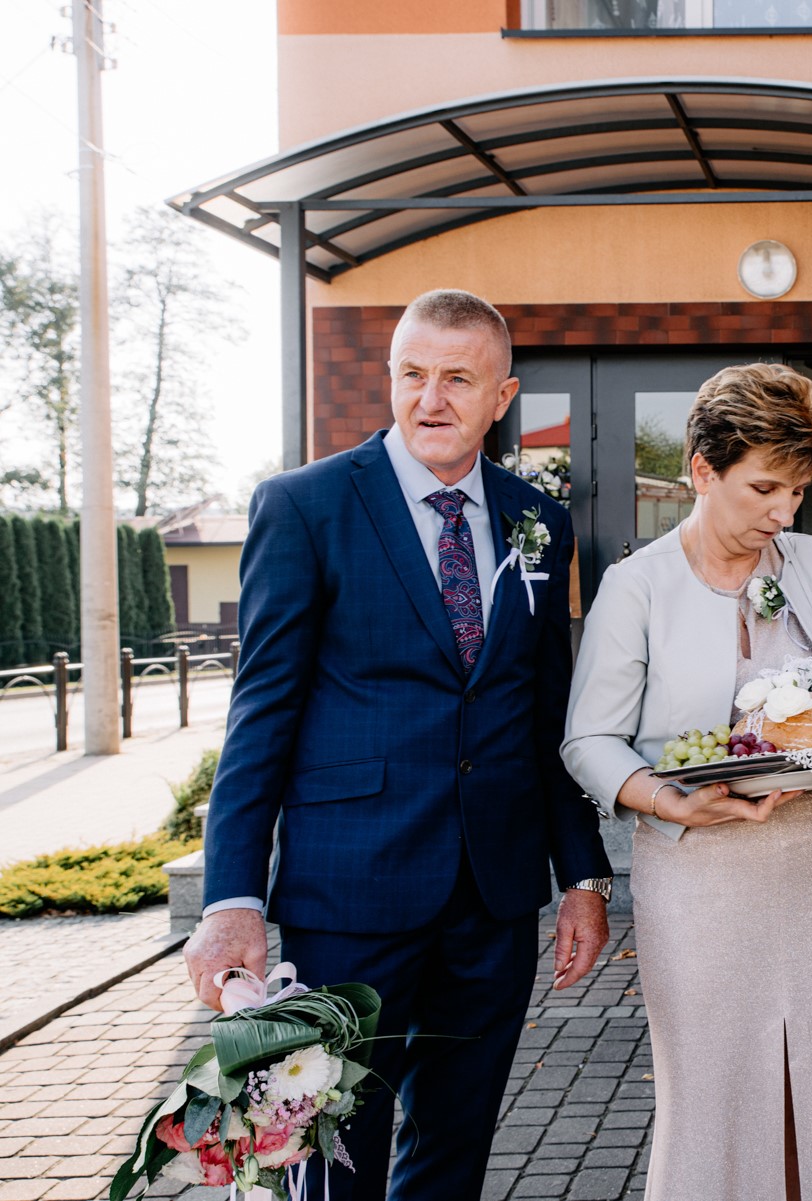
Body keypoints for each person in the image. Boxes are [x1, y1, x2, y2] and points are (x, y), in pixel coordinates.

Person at [184, 289, 613, 1201]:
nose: (430, 398)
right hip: (349, 894)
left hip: (493, 898)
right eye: (412, 373)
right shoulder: (305, 506)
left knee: (455, 1143)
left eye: (458, 378)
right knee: (332, 1151)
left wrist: (582, 875)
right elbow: (260, 713)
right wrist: (232, 897)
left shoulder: (540, 521)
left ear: (502, 397)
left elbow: (547, 711)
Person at [560, 363, 812, 1201]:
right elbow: (589, 739)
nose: (784, 512)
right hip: (702, 874)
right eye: (765, 487)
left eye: (797, 491)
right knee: (715, 1095)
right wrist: (667, 799)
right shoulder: (638, 585)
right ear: (703, 469)